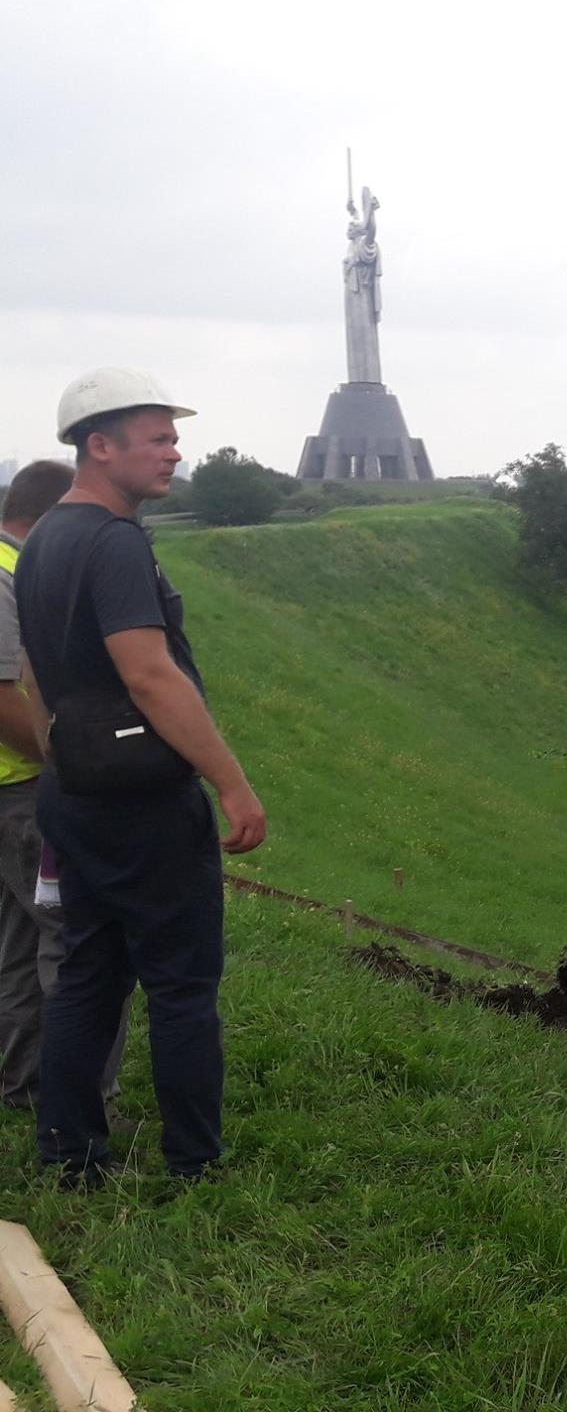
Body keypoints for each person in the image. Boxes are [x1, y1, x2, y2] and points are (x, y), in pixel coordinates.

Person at [16, 368, 266, 1184]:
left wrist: (67, 759)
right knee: (182, 985)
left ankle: (69, 1151)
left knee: (89, 971)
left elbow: (37, 679)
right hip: (144, 798)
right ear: (101, 445)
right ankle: (194, 1163)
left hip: (75, 787)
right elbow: (152, 674)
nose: (174, 452)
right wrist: (229, 781)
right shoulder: (114, 541)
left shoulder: (46, 536)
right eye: (157, 437)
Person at [0, 460, 128, 1112]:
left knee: (20, 949)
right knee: (79, 945)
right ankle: (80, 1111)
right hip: (25, 792)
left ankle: (26, 1091)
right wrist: (65, 763)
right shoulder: (6, 576)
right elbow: (4, 697)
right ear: (51, 518)